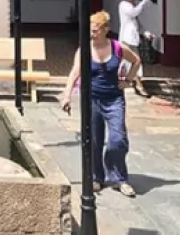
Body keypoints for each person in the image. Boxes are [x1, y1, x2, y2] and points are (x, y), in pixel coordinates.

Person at [60, 10, 142, 198]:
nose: (93, 33)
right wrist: (67, 96)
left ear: (106, 29)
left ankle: (120, 178)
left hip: (114, 98)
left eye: (96, 30)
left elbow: (136, 61)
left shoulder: (118, 47)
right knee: (95, 140)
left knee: (118, 140)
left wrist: (128, 80)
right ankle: (97, 177)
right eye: (91, 30)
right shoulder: (85, 49)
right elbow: (74, 73)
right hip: (92, 99)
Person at [118, 0, 152, 97]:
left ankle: (133, 82)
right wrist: (144, 1)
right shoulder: (124, 5)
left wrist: (145, 32)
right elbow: (134, 13)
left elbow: (136, 22)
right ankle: (138, 85)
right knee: (135, 61)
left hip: (132, 38)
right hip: (127, 38)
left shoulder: (130, 5)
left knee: (131, 61)